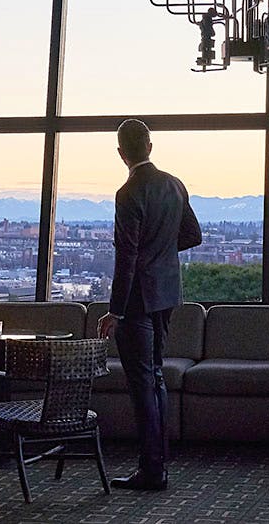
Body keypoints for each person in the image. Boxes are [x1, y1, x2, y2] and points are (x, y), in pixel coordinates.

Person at [98, 118, 199, 491]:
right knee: (156, 377)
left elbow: (126, 256)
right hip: (166, 294)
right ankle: (158, 463)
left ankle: (152, 469)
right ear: (150, 147)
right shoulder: (174, 184)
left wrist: (116, 311)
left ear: (121, 153)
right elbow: (193, 235)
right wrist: (161, 253)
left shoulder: (128, 193)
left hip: (138, 299)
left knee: (142, 382)